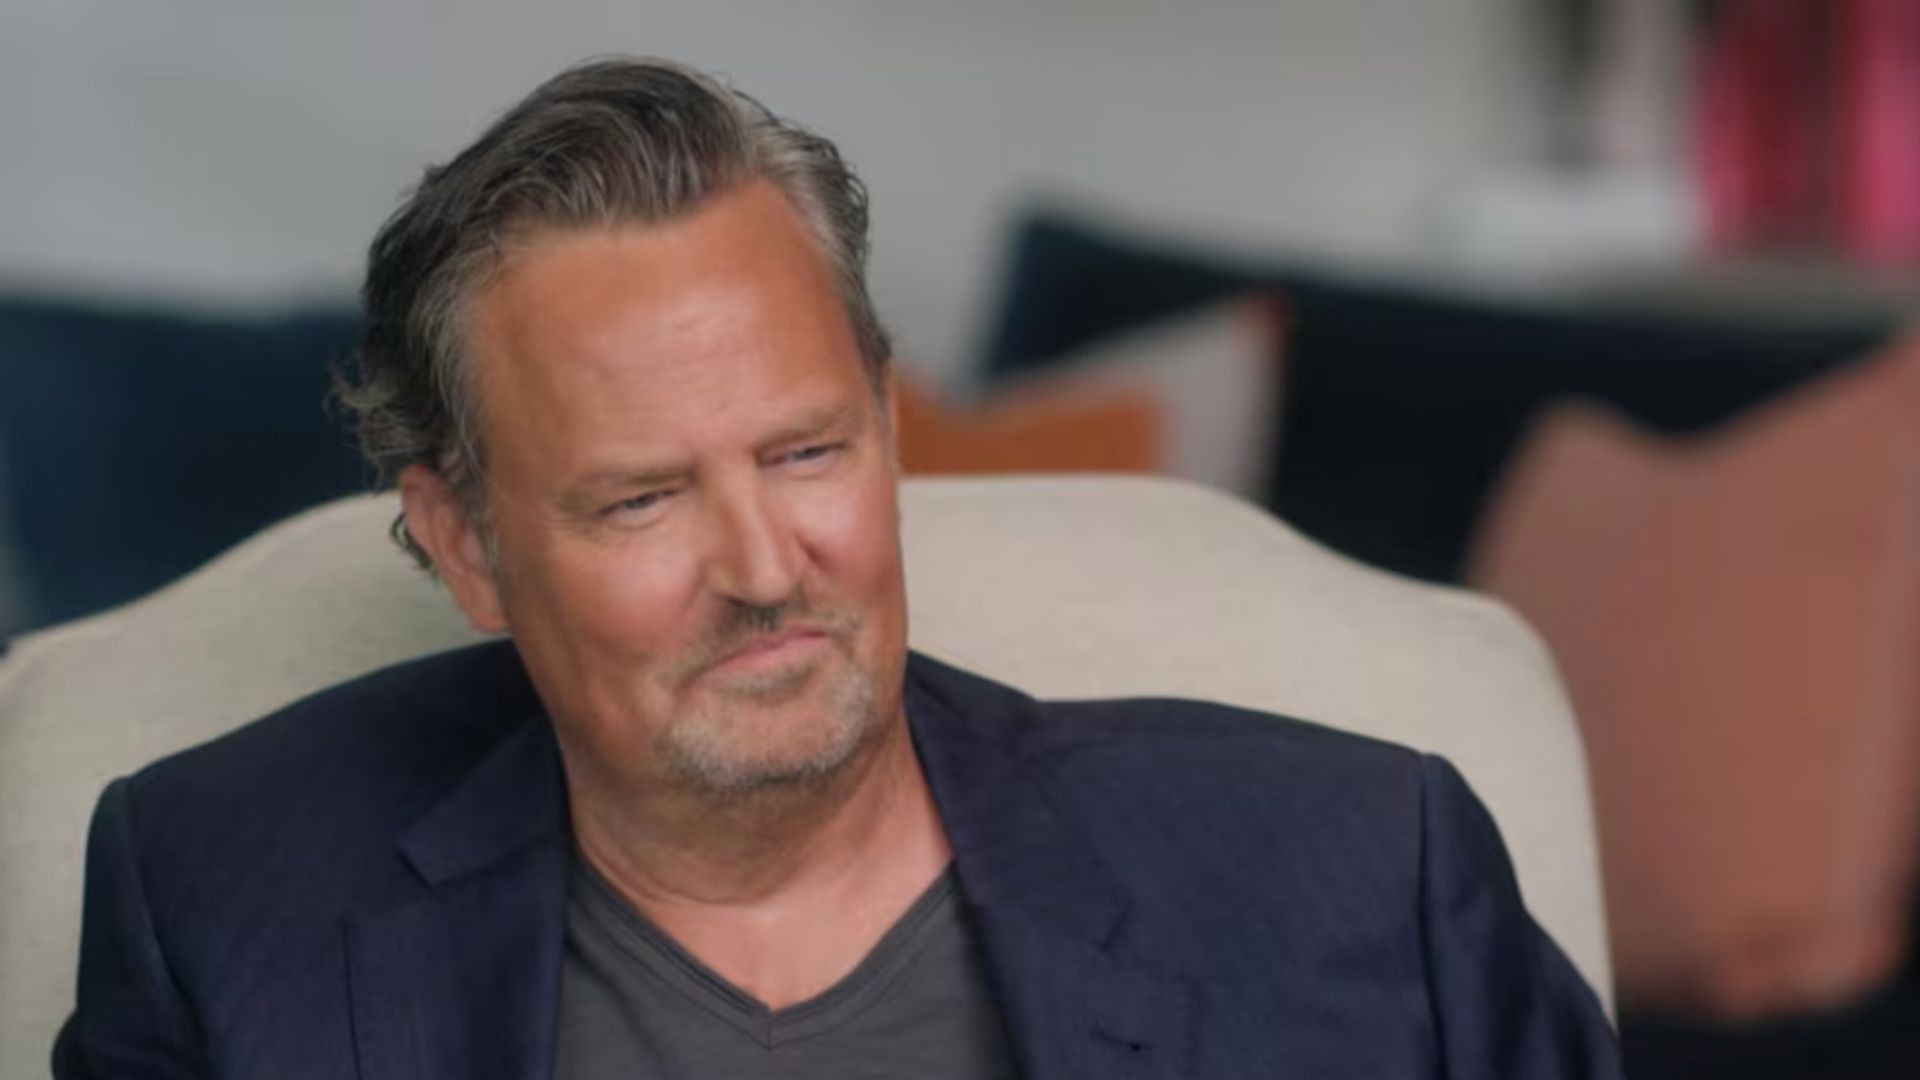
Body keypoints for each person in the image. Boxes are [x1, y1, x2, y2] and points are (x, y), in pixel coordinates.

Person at [54, 57, 1621, 1078]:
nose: (763, 567)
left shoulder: (1358, 871)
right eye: (641, 500)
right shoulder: (217, 898)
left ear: (886, 423)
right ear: (468, 545)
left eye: (806, 453)